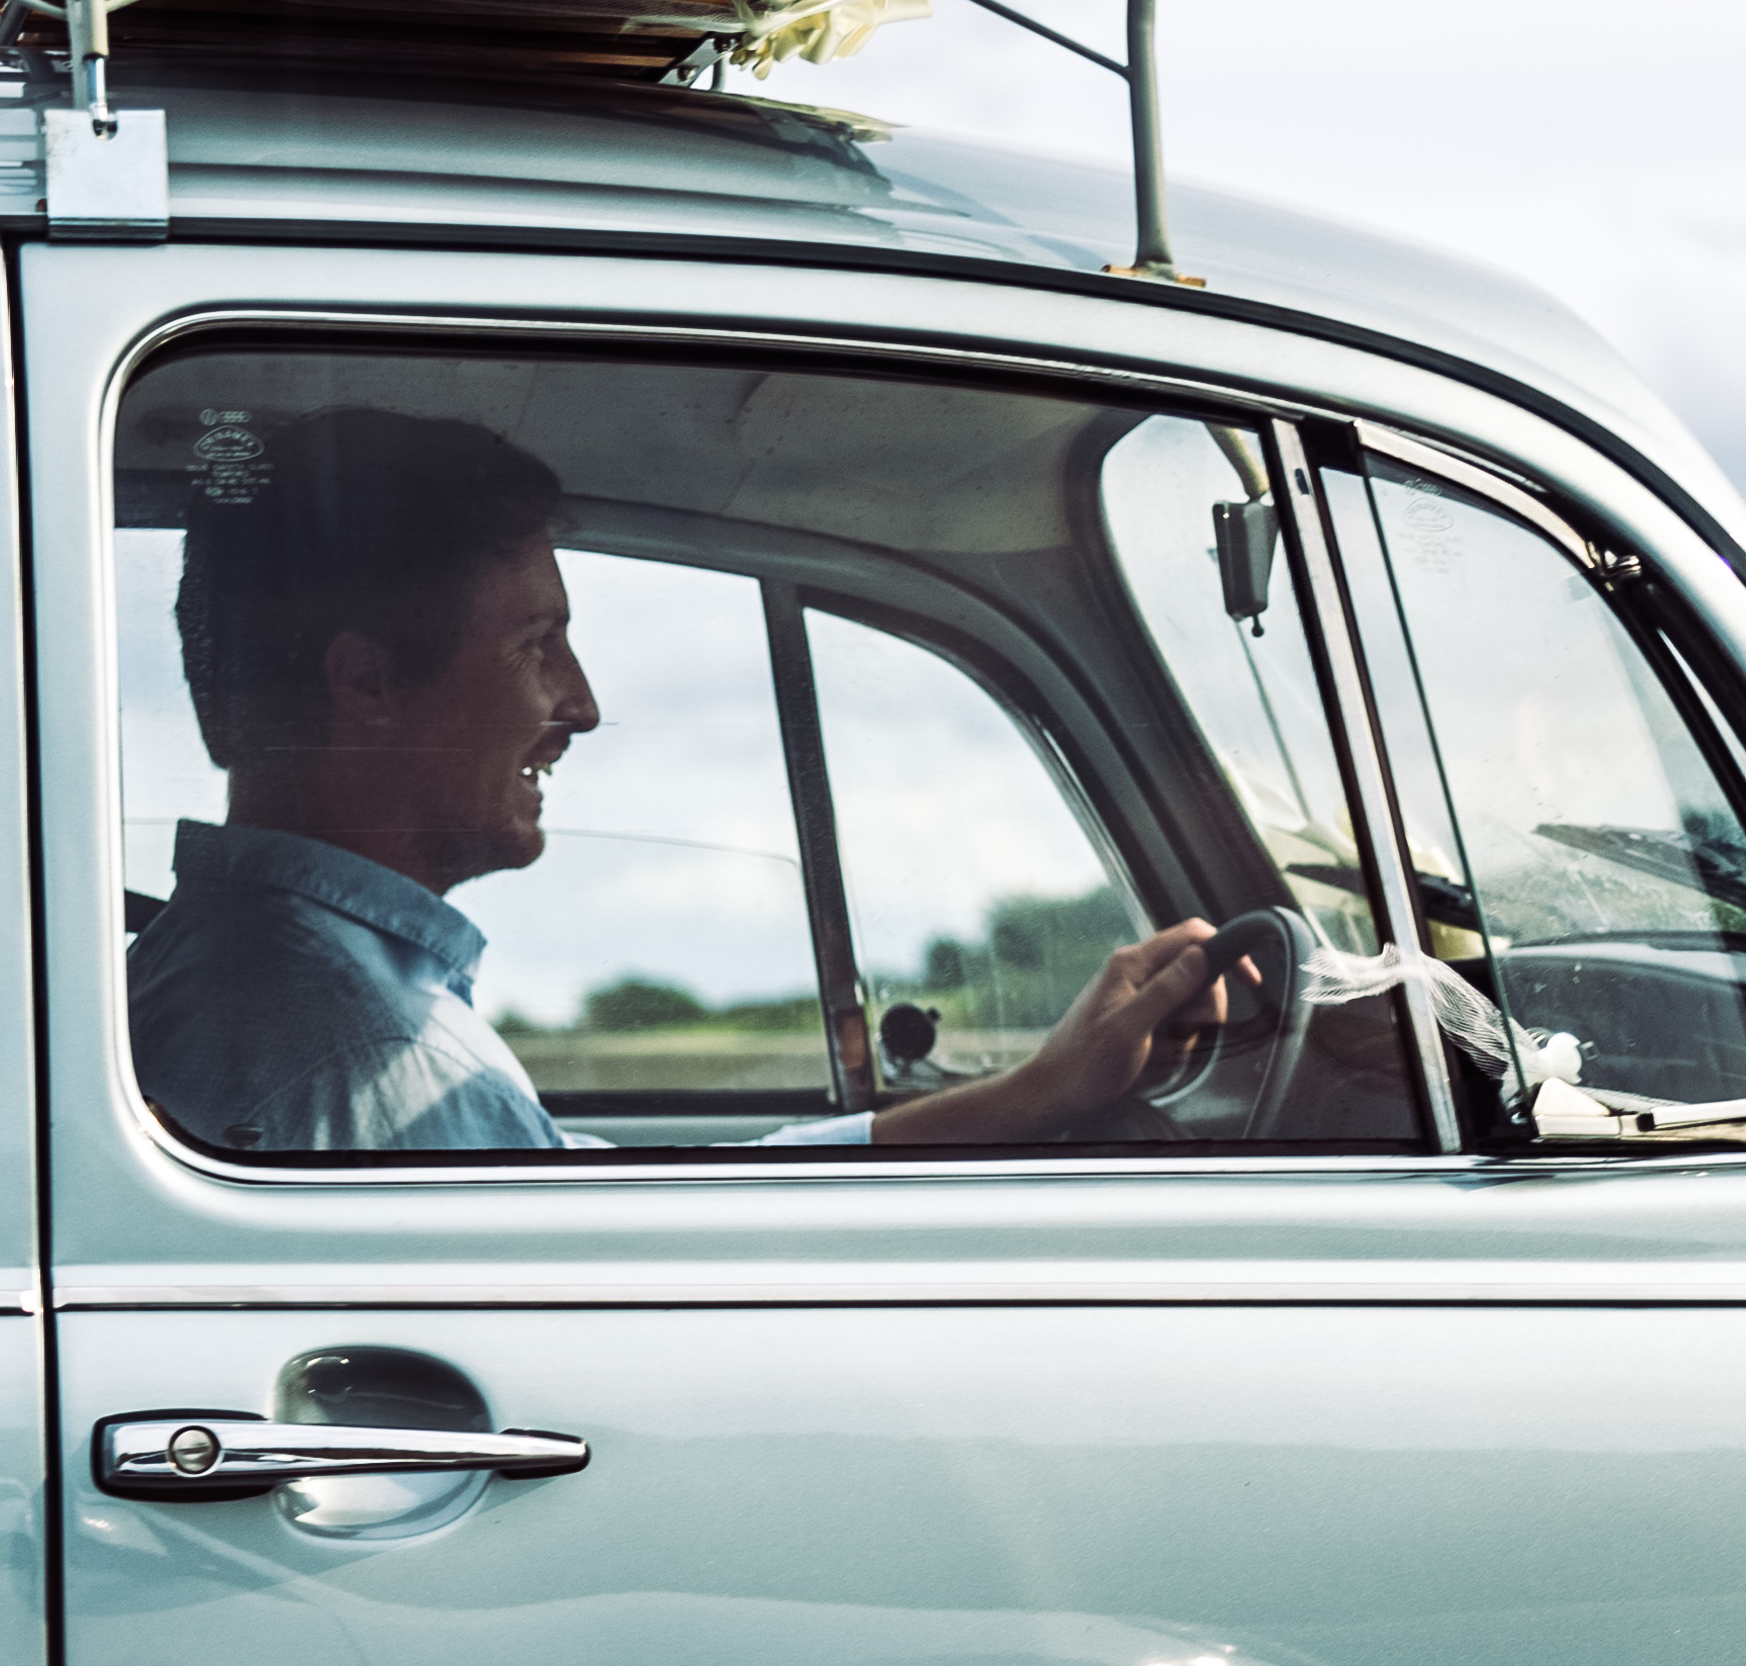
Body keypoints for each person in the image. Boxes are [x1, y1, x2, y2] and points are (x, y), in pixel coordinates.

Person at [129, 408, 1228, 1152]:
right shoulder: (370, 1064)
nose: (580, 705)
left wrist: (1029, 1097)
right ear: (365, 683)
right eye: (534, 646)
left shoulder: (267, 981)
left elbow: (591, 1197)